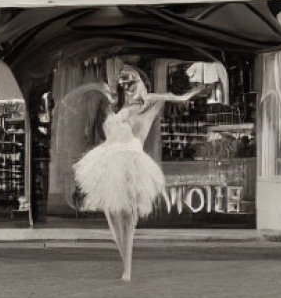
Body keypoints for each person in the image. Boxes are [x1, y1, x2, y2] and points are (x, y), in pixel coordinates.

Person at [73, 65, 204, 283]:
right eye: (126, 84)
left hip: (131, 162)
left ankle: (127, 268)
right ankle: (124, 259)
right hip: (106, 161)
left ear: (142, 84)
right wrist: (101, 88)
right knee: (113, 218)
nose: (130, 88)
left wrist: (192, 92)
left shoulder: (147, 109)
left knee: (128, 218)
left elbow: (176, 98)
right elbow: (102, 99)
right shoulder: (117, 108)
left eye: (133, 82)